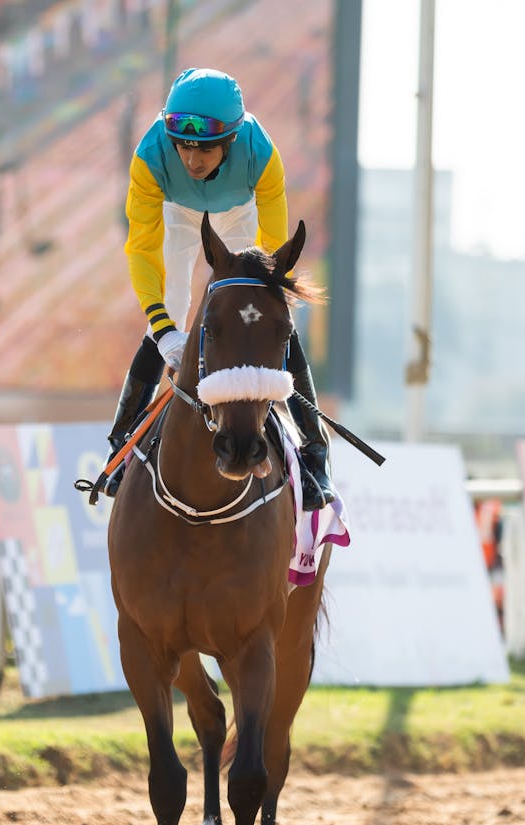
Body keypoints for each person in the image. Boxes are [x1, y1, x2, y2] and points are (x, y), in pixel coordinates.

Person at [99, 67, 335, 509]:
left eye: (205, 148)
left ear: (231, 138)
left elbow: (271, 263)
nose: (192, 161)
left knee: (261, 316)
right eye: (183, 146)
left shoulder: (261, 154)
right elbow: (142, 250)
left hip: (238, 213)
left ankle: (315, 454)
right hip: (175, 211)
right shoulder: (150, 156)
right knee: (170, 307)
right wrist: (163, 326)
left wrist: (262, 310)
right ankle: (120, 445)